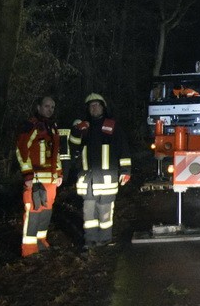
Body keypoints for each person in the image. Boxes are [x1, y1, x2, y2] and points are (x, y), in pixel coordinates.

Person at [69, 93, 131, 248]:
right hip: (87, 179)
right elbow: (73, 147)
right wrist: (77, 132)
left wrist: (126, 171)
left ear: (103, 107)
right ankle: (90, 240)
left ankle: (105, 239)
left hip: (106, 178)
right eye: (91, 105)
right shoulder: (83, 127)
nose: (94, 107)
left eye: (97, 104)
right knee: (88, 212)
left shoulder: (112, 126)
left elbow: (123, 149)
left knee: (105, 211)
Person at [15, 96, 63, 257]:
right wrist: (28, 175)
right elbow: (21, 150)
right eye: (47, 106)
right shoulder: (31, 125)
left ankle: (41, 242)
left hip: (50, 179)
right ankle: (29, 249)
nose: (50, 109)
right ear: (39, 107)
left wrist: (59, 173)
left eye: (52, 107)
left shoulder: (53, 127)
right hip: (35, 179)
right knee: (33, 212)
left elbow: (56, 153)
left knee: (46, 211)